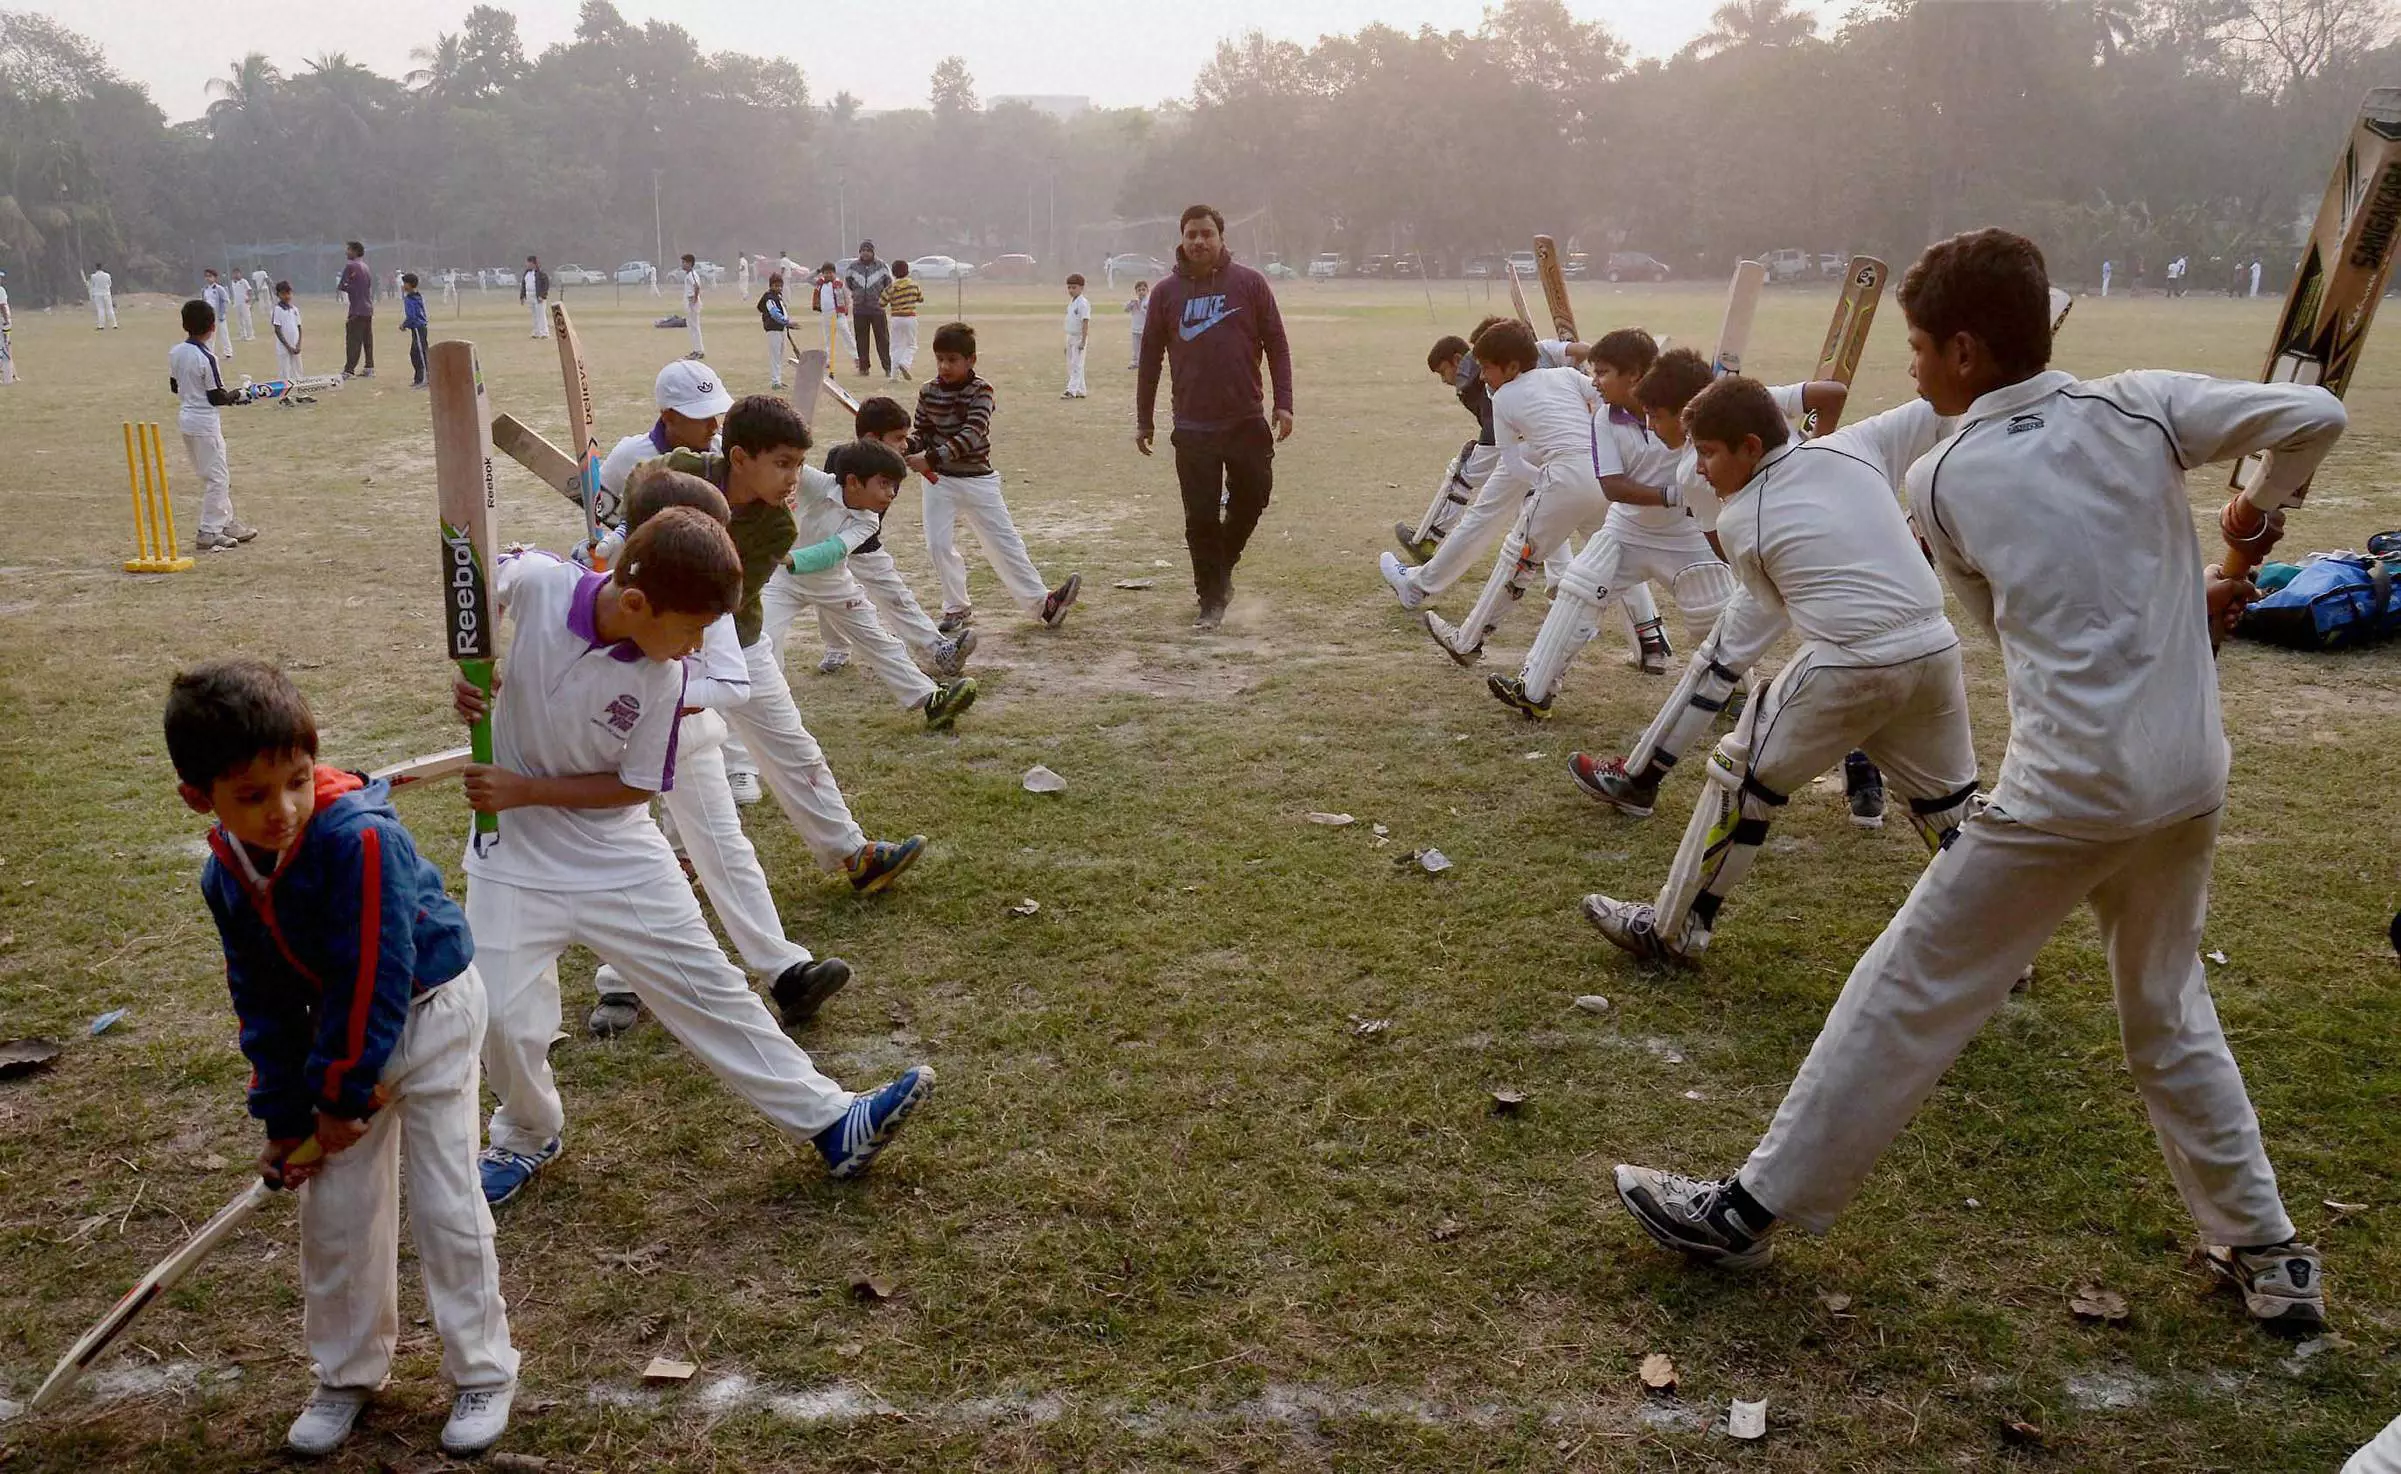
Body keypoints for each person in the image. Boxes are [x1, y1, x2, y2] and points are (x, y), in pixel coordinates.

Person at [1610, 229, 2341, 1339]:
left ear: (1960, 347)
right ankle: (2268, 1251)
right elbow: (2313, 418)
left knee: (1904, 987)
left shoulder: (1940, 474)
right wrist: (2251, 515)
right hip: (2188, 777)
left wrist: (2198, 571)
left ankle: (1749, 1208)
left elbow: (2005, 626)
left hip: (2067, 795)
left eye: (1914, 346)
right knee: (2165, 1005)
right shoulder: (2139, 402)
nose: (1908, 368)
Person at [450, 508, 936, 1208]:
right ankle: (527, 1134)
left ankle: (832, 1121)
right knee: (495, 1016)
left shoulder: (661, 679)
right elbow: (477, 572)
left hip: (618, 856)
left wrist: (525, 787)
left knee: (710, 988)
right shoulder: (540, 586)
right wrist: (476, 670)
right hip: (511, 859)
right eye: (688, 631)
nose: (692, 649)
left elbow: (633, 785)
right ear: (638, 602)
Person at [166, 660, 518, 1458]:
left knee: (445, 1201)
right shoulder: (225, 873)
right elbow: (262, 1001)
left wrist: (338, 1097)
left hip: (430, 1010)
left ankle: (482, 1370)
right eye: (252, 797)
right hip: (345, 1032)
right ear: (201, 800)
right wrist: (289, 1118)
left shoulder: (359, 838)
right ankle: (346, 1375)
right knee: (335, 1211)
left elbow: (375, 973)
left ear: (312, 758)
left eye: (294, 781)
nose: (282, 810)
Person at [1575, 371, 1973, 968]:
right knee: (1953, 811)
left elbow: (1770, 610)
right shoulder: (1857, 444)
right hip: (1934, 650)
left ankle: (1671, 930)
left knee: (1740, 779)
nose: (1700, 469)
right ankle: (2002, 948)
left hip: (1845, 664)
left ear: (1751, 446)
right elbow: (1938, 402)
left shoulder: (1740, 522)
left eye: (1708, 452)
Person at [577, 471, 856, 1040]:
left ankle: (786, 972)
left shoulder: (711, 598)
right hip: (607, 748)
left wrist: (665, 697)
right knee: (628, 861)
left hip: (687, 743)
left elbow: (731, 683)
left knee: (726, 852)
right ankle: (620, 982)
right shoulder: (594, 582)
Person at [639, 394, 935, 884]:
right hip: (659, 640)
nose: (794, 477)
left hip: (735, 639)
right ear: (738, 458)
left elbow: (721, 601)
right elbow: (638, 491)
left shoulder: (776, 527)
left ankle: (852, 853)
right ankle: (681, 856)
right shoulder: (682, 472)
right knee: (683, 750)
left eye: (798, 464)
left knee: (793, 746)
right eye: (782, 464)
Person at [1136, 204, 1295, 631]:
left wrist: (1284, 402)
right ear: (1182, 239)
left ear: (1221, 238)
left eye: (1207, 233)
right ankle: (1211, 599)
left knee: (1254, 495)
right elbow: (1149, 359)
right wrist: (1144, 418)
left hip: (1246, 420)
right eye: (1192, 234)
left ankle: (1220, 566)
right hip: (1192, 427)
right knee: (1200, 517)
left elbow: (1277, 344)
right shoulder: (1166, 294)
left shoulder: (1249, 284)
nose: (1199, 241)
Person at [755, 438, 979, 729]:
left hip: (833, 585)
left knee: (879, 642)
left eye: (895, 486)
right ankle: (769, 711)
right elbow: (782, 465)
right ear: (853, 482)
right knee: (762, 640)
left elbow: (834, 551)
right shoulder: (814, 482)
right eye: (884, 484)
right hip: (783, 583)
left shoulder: (869, 521)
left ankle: (932, 700)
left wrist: (790, 558)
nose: (891, 494)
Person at [909, 322, 1082, 634]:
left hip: (978, 481)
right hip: (939, 482)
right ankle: (956, 607)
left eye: (952, 360)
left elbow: (972, 435)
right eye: (940, 359)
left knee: (1004, 544)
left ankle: (1044, 605)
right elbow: (921, 433)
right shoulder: (928, 391)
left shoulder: (982, 391)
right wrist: (906, 447)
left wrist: (929, 458)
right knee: (937, 545)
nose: (945, 366)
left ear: (971, 360)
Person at [811, 394, 970, 678]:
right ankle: (836, 647)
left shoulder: (892, 468)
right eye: (898, 438)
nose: (905, 444)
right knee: (829, 599)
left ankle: (937, 649)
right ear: (873, 438)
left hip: (865, 544)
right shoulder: (838, 458)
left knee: (898, 598)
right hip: (829, 543)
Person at [170, 298, 258, 553]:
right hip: (204, 423)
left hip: (187, 419)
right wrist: (239, 396)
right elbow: (216, 397)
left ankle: (226, 522)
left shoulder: (176, 352)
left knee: (215, 475)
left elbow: (175, 386)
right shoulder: (207, 357)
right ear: (212, 326)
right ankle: (208, 531)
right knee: (217, 478)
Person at [844, 240, 893, 378]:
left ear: (873, 252)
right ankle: (864, 368)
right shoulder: (852, 267)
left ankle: (888, 367)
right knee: (861, 340)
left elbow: (889, 284)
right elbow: (848, 283)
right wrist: (856, 295)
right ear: (859, 252)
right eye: (863, 250)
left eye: (868, 250)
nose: (865, 253)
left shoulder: (882, 266)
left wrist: (882, 298)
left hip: (877, 308)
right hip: (859, 309)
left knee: (882, 340)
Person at [337, 241, 374, 377]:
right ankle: (369, 367)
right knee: (367, 339)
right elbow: (368, 285)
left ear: (355, 251)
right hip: (368, 308)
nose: (346, 252)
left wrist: (350, 287)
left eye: (348, 250)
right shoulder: (365, 267)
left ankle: (349, 370)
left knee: (353, 340)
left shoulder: (350, 266)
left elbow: (342, 285)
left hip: (356, 309)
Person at [885, 258, 922, 381]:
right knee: (911, 345)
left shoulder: (891, 287)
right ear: (907, 271)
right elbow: (920, 298)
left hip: (896, 318)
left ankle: (893, 376)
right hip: (910, 317)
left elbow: (881, 302)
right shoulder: (913, 285)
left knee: (895, 347)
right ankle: (905, 363)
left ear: (893, 273)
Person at [757, 272, 791, 390]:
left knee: (780, 355)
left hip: (781, 329)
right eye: (776, 286)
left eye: (780, 286)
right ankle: (775, 382)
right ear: (771, 286)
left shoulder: (779, 297)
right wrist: (787, 322)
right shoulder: (769, 298)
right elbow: (774, 314)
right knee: (775, 357)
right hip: (773, 330)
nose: (778, 288)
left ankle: (778, 380)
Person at [397, 273, 430, 390]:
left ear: (410, 285)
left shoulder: (410, 299)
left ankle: (426, 380)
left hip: (418, 328)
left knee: (421, 354)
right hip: (418, 328)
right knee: (415, 354)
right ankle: (418, 378)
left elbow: (412, 316)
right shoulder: (418, 296)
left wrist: (404, 325)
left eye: (405, 283)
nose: (403, 286)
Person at [1062, 274, 1092, 399]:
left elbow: (1085, 322)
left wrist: (1083, 341)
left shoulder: (1083, 303)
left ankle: (1071, 390)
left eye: (1074, 288)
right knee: (1071, 363)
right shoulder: (1072, 302)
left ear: (1081, 288)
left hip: (1079, 336)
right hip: (1070, 335)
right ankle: (1081, 390)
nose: (1071, 290)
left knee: (1077, 364)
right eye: (1069, 288)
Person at [271, 281, 305, 381]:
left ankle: (300, 392)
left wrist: (298, 344)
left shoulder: (294, 309)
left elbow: (299, 327)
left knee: (298, 369)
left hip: (295, 345)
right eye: (284, 293)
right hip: (283, 346)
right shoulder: (277, 310)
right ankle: (285, 394)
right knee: (285, 371)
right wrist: (288, 346)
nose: (287, 296)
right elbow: (277, 330)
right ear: (278, 294)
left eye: (289, 293)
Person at [202, 269, 235, 363]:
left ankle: (228, 352)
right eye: (206, 276)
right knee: (209, 335)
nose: (208, 278)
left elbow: (225, 300)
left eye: (210, 276)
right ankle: (209, 353)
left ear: (215, 278)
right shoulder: (204, 290)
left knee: (224, 333)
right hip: (208, 315)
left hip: (219, 314)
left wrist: (222, 313)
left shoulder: (219, 289)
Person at [681, 253, 706, 360]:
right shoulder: (688, 275)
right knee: (692, 328)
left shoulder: (692, 275)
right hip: (690, 302)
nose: (682, 265)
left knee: (695, 327)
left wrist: (694, 299)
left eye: (684, 262)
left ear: (690, 263)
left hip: (693, 303)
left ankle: (699, 351)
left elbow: (697, 287)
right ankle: (696, 349)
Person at [521, 256, 549, 339]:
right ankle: (536, 332)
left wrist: (542, 296)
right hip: (529, 296)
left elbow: (546, 285)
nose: (527, 264)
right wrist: (522, 296)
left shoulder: (541, 273)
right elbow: (523, 285)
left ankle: (544, 332)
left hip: (538, 297)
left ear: (533, 263)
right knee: (534, 315)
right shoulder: (526, 273)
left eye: (528, 263)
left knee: (541, 315)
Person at [1124, 279, 1149, 370]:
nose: (1141, 292)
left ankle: (1145, 363)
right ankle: (1135, 362)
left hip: (1145, 328)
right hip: (1135, 328)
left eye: (1143, 289)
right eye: (1139, 290)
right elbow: (1126, 310)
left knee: (1145, 347)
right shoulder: (1134, 301)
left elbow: (1150, 314)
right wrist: (1130, 304)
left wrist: (1142, 307)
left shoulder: (1149, 301)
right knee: (1136, 347)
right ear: (1136, 292)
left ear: (1147, 290)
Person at [90, 262, 120, 329]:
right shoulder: (107, 275)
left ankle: (101, 325)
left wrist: (92, 295)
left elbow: (92, 286)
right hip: (106, 293)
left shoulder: (93, 276)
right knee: (110, 309)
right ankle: (114, 324)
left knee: (100, 310)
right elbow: (110, 284)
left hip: (97, 294)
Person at [232, 270, 257, 340]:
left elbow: (249, 290)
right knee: (239, 320)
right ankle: (243, 335)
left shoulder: (244, 281)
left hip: (244, 302)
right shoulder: (233, 282)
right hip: (237, 303)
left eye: (237, 273)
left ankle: (251, 335)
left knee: (247, 319)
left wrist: (249, 298)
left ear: (240, 274)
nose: (236, 275)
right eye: (234, 274)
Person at [0, 270, 13, 385]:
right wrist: (7, 321)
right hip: (2, 323)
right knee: (5, 346)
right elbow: (3, 306)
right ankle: (8, 377)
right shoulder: (1, 290)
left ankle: (11, 375)